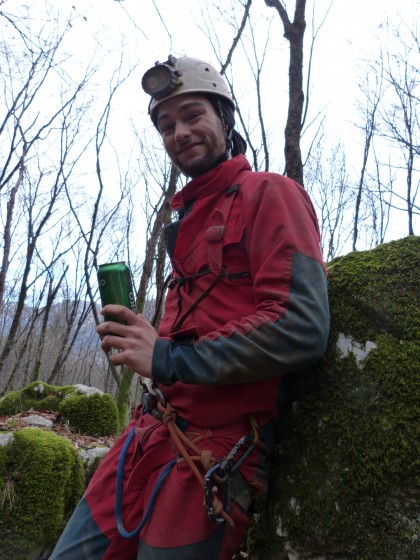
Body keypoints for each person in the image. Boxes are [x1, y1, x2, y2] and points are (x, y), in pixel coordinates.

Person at [50, 55, 329, 560]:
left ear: (225, 118)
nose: (179, 132)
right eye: (166, 125)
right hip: (146, 437)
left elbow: (300, 325)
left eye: (193, 115)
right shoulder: (187, 219)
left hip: (216, 454)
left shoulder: (271, 193)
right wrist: (146, 343)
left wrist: (165, 357)